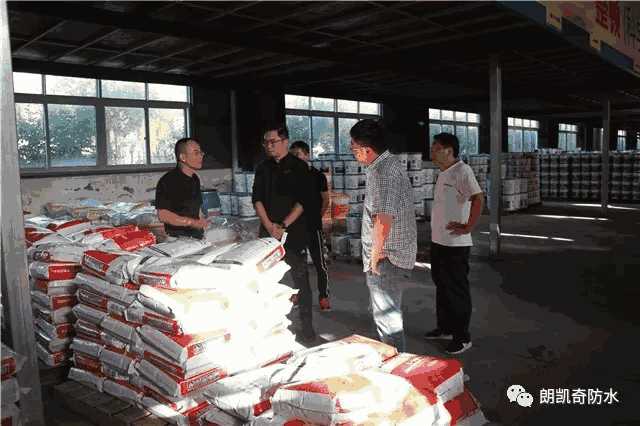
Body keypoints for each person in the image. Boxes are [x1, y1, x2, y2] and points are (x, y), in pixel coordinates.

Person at [350, 119, 416, 352]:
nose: (352, 151)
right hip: (389, 254)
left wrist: (374, 257)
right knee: (385, 315)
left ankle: (397, 364)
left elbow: (383, 219)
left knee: (388, 320)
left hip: (387, 258)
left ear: (367, 149)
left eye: (353, 147)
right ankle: (394, 358)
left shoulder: (384, 172)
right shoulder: (384, 166)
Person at [252, 124, 316, 342]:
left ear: (285, 141)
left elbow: (303, 201)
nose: (268, 146)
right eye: (266, 143)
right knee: (265, 280)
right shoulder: (262, 168)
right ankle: (269, 327)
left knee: (300, 280)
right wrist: (270, 226)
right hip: (268, 233)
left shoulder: (299, 167)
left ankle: (307, 327)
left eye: (273, 142)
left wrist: (283, 225)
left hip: (293, 233)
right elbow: (257, 199)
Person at [424, 133, 483, 355]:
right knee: (442, 286)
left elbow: (478, 198)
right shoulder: (443, 173)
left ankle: (462, 337)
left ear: (449, 151)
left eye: (436, 147)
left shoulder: (462, 171)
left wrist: (468, 226)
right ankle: (445, 328)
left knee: (456, 290)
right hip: (439, 241)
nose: (432, 151)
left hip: (455, 245)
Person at [289, 140, 331, 312]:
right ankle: (299, 294)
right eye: (292, 156)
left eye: (298, 155)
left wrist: (317, 218)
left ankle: (324, 296)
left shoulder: (318, 176)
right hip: (295, 229)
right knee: (297, 265)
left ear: (307, 155)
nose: (294, 158)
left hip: (314, 227)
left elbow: (326, 200)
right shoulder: (289, 178)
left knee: (320, 264)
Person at [155, 137, 209, 239]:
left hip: (196, 236)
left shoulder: (195, 178)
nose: (201, 156)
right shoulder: (167, 181)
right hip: (177, 239)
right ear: (183, 157)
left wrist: (203, 225)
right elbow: (163, 215)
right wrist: (192, 222)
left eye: (201, 153)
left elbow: (197, 209)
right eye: (196, 153)